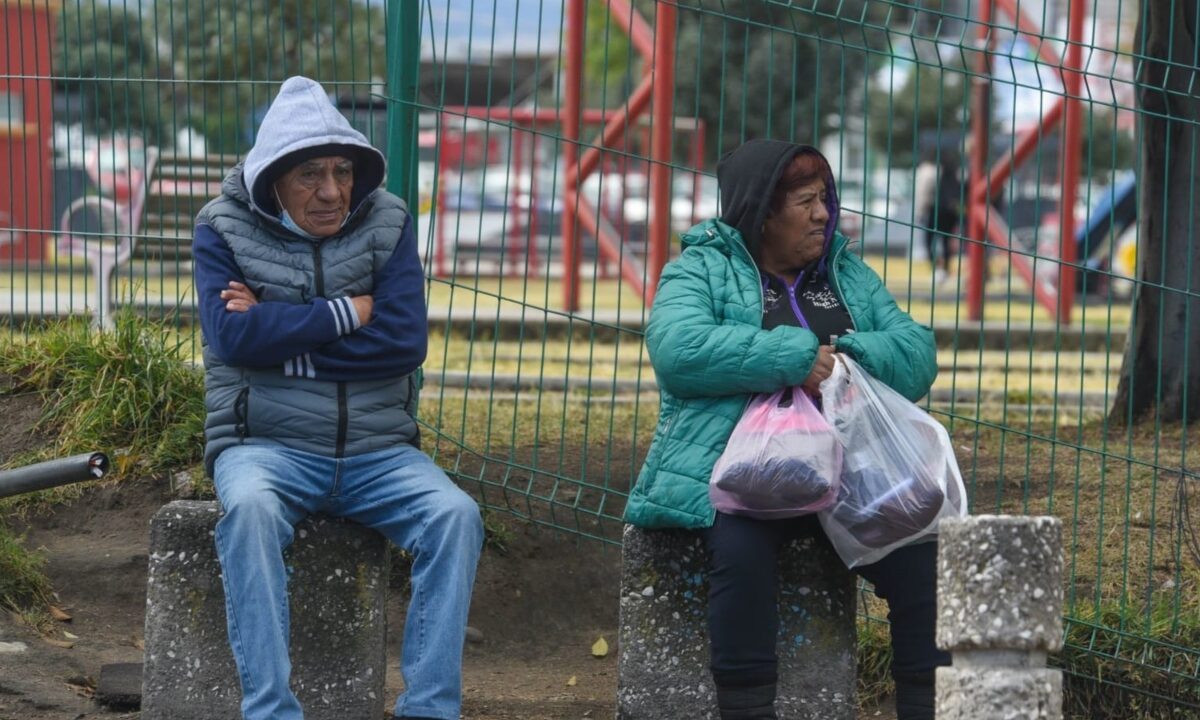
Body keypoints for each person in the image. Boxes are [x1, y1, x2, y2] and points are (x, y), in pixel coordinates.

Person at [624, 139, 949, 720]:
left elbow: (916, 353)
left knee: (921, 553)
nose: (825, 213)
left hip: (854, 471)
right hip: (743, 470)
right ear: (762, 211)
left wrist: (847, 352)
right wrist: (794, 355)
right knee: (740, 553)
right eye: (806, 201)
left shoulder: (845, 274)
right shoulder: (702, 268)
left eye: (825, 198)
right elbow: (679, 350)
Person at [192, 76, 483, 720]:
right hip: (264, 447)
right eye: (310, 177)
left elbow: (404, 341)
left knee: (455, 517)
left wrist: (284, 340)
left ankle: (430, 709)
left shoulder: (389, 219)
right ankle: (271, 710)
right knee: (251, 514)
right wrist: (348, 313)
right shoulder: (221, 228)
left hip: (380, 452)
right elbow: (232, 336)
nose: (331, 192)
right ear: (273, 179)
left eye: (342, 171)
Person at [915, 147, 961, 285]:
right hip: (950, 212)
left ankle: (936, 270)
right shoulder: (955, 172)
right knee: (946, 242)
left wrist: (920, 211)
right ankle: (945, 270)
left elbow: (923, 194)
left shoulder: (928, 171)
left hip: (934, 210)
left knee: (929, 241)